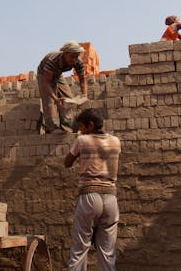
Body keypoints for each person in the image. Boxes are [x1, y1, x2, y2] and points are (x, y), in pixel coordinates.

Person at [64, 108, 121, 271]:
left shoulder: (83, 140)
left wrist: (79, 139)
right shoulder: (116, 141)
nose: (80, 130)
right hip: (111, 198)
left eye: (81, 127)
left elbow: (67, 162)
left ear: (90, 125)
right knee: (107, 251)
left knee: (80, 248)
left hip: (90, 196)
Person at [37, 40, 88, 134]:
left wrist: (84, 94)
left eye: (76, 56)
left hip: (57, 74)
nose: (74, 60)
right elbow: (46, 83)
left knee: (68, 98)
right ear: (65, 53)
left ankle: (67, 127)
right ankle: (52, 128)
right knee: (49, 101)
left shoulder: (78, 61)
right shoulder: (52, 60)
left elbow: (82, 79)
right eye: (72, 57)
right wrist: (56, 99)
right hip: (44, 75)